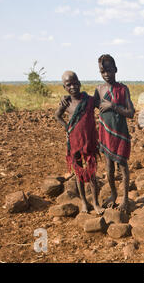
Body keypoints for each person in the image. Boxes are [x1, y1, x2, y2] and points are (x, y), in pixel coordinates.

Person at [55, 71, 104, 215]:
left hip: (89, 142)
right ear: (64, 87)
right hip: (74, 143)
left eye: (75, 83)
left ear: (79, 83)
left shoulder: (89, 100)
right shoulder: (67, 102)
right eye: (68, 85)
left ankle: (95, 203)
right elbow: (57, 115)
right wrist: (67, 127)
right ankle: (84, 202)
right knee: (79, 174)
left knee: (92, 173)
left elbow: (101, 106)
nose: (73, 86)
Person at [94, 55, 135, 214]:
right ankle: (113, 194)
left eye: (109, 71)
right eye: (102, 71)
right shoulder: (99, 89)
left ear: (115, 70)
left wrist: (113, 106)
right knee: (109, 168)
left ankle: (125, 199)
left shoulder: (123, 89)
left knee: (123, 167)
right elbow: (91, 104)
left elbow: (131, 112)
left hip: (120, 134)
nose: (106, 74)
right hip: (105, 134)